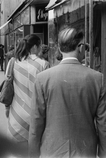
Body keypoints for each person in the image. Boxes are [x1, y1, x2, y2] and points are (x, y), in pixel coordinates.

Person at [28, 27, 106, 158]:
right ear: (80, 48)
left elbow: (36, 123)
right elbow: (103, 124)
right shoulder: (98, 79)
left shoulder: (42, 79)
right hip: (85, 151)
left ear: (59, 48)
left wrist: (33, 155)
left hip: (51, 151)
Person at [5, 34, 49, 148]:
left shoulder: (13, 62)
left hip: (17, 114)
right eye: (40, 46)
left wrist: (7, 108)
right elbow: (47, 92)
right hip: (37, 114)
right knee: (36, 149)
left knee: (18, 151)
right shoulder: (44, 64)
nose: (40, 49)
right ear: (34, 47)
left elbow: (7, 86)